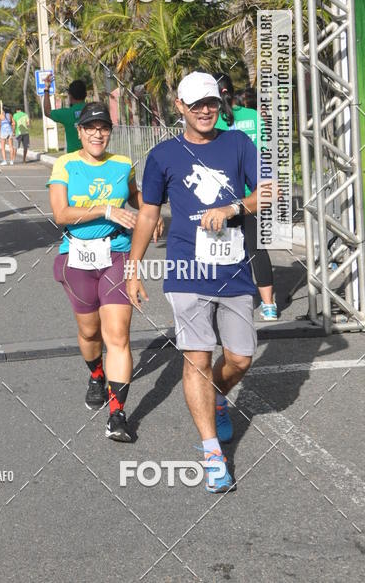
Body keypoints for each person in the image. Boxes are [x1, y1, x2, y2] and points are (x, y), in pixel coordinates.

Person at [126, 71, 269, 493]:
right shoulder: (164, 155)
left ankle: (218, 396)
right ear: (180, 107)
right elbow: (149, 214)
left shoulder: (238, 144)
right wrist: (132, 268)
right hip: (187, 272)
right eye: (196, 104)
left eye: (211, 103)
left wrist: (232, 208)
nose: (205, 110)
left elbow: (268, 190)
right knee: (197, 358)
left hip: (234, 271)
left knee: (240, 358)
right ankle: (212, 455)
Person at [48, 102, 162, 443]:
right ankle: (96, 373)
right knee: (89, 333)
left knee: (118, 335)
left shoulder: (122, 164)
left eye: (104, 127)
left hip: (117, 252)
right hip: (78, 256)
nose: (97, 133)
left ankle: (117, 415)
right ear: (80, 132)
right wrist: (107, 209)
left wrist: (148, 213)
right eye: (90, 128)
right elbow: (61, 214)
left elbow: (136, 196)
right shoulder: (65, 165)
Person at [215, 74, 277, 321]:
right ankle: (269, 304)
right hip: (255, 192)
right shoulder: (252, 116)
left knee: (223, 247)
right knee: (256, 247)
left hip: (227, 193)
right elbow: (265, 151)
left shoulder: (213, 121)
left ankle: (229, 301)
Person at [42, 75, 87, 153]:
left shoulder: (67, 114)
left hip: (74, 160)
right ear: (85, 94)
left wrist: (46, 89)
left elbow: (47, 111)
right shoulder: (93, 109)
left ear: (70, 96)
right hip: (93, 158)